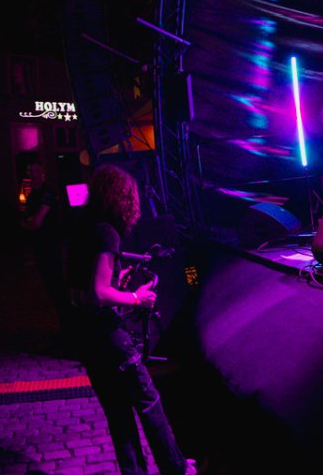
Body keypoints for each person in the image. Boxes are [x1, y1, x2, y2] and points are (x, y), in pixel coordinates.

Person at [66, 165, 195, 475]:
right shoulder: (107, 232)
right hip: (106, 334)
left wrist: (117, 278)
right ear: (123, 198)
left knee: (118, 411)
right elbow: (100, 292)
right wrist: (138, 298)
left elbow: (82, 285)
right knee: (149, 402)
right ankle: (175, 468)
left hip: (84, 334)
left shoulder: (83, 226)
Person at [22, 162, 67, 327]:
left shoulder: (47, 193)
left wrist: (30, 223)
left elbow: (36, 221)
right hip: (39, 244)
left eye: (36, 171)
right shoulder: (32, 195)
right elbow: (26, 219)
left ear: (42, 173)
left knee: (55, 281)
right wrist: (29, 222)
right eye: (30, 171)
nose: (32, 174)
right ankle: (64, 319)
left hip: (50, 243)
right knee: (49, 282)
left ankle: (67, 319)